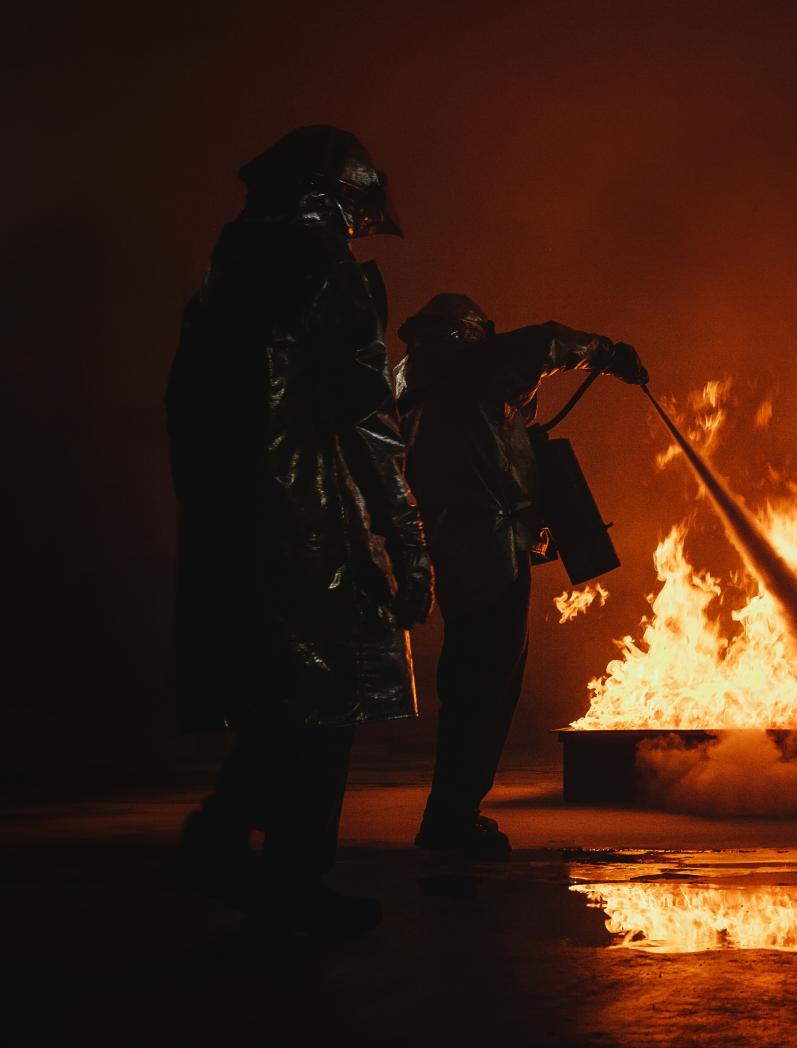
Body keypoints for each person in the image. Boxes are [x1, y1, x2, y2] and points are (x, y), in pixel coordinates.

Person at [165, 126, 432, 935]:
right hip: (308, 522)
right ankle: (285, 878)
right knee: (328, 701)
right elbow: (369, 423)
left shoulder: (227, 269)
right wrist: (409, 548)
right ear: (343, 197)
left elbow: (185, 408)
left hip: (232, 525)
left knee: (276, 702)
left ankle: (225, 846)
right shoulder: (327, 271)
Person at [395, 294, 645, 859]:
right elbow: (545, 341)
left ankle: (451, 812)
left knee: (466, 686)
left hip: (455, 553)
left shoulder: (410, 385)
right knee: (487, 690)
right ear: (468, 333)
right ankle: (452, 819)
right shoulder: (471, 369)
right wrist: (607, 354)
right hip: (494, 551)